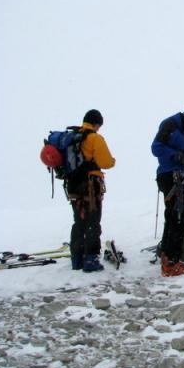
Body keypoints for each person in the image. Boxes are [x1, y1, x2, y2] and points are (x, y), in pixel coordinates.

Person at [151, 104, 184, 277]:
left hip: (177, 178)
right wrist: (179, 157)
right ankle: (171, 263)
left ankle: (167, 256)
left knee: (173, 217)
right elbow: (156, 147)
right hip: (171, 177)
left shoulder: (182, 132)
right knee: (178, 219)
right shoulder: (171, 125)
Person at [69, 109, 116, 272]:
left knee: (79, 221)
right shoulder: (94, 138)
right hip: (90, 186)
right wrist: (112, 161)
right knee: (92, 222)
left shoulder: (73, 137)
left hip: (73, 186)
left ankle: (76, 259)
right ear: (96, 124)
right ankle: (91, 259)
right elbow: (106, 162)